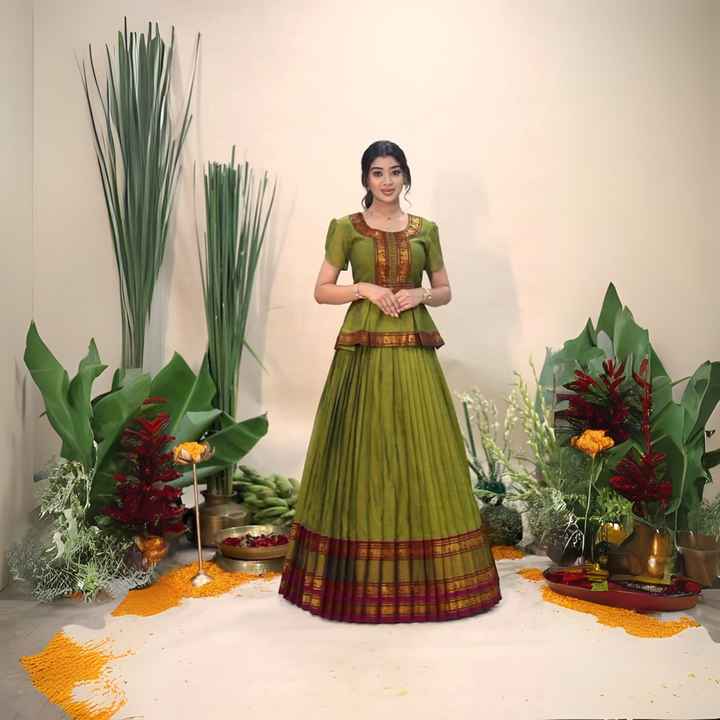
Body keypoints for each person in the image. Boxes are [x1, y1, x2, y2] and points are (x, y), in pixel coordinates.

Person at [278, 140, 501, 622]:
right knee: (363, 448)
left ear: (405, 177)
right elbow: (321, 290)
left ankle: (428, 579)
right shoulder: (345, 228)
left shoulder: (427, 230)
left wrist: (420, 295)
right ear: (365, 179)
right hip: (363, 351)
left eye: (394, 171)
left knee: (421, 446)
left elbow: (444, 290)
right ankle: (354, 580)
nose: (386, 181)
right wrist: (364, 288)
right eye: (377, 172)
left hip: (413, 347)